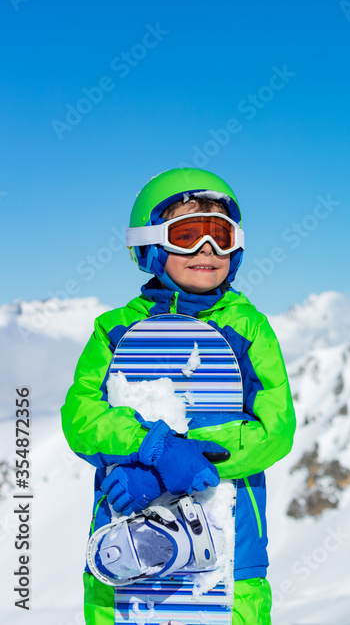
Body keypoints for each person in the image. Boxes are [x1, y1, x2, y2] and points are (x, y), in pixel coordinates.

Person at [61, 168, 296, 624]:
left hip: (230, 556)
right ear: (149, 246)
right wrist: (155, 448)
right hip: (124, 545)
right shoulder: (113, 330)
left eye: (221, 235)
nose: (207, 249)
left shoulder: (249, 328)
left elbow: (275, 429)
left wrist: (181, 465)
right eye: (187, 234)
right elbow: (81, 417)